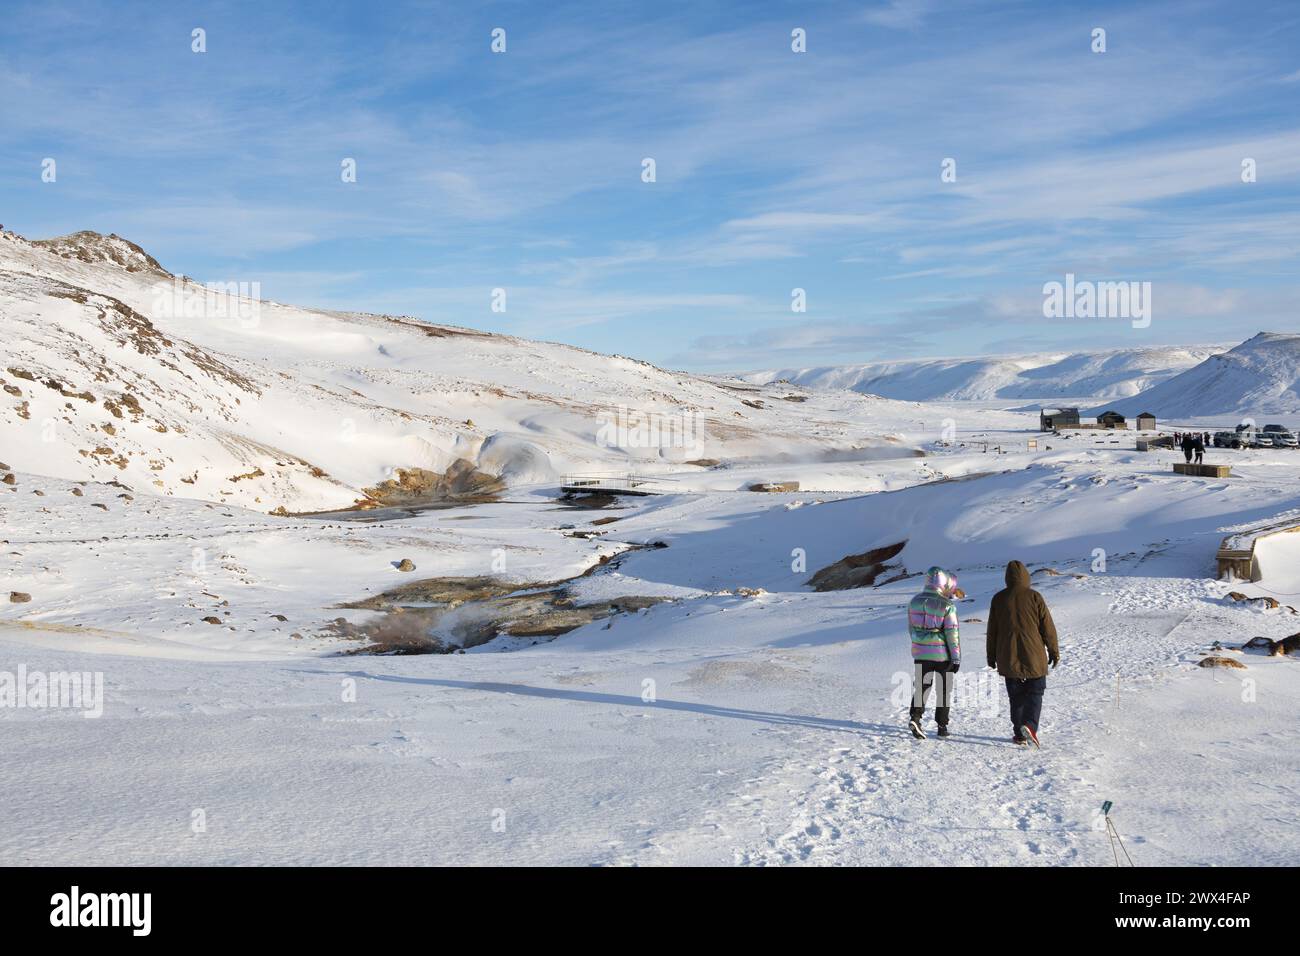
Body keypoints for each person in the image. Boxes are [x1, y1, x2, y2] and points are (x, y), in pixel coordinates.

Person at [986, 560, 1059, 747]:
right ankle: (1030, 726)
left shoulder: (998, 599)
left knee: (1016, 696)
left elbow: (992, 631)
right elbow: (1047, 627)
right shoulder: (1035, 597)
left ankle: (1019, 733)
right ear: (1026, 576)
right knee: (1036, 692)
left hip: (1007, 656)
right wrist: (1053, 651)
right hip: (1034, 655)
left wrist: (991, 656)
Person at [907, 566, 961, 740]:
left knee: (922, 687)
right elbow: (952, 633)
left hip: (921, 653)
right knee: (943, 690)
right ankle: (942, 726)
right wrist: (956, 657)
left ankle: (915, 718)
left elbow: (911, 629)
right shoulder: (947, 605)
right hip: (942, 655)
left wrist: (919, 644)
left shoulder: (914, 601)